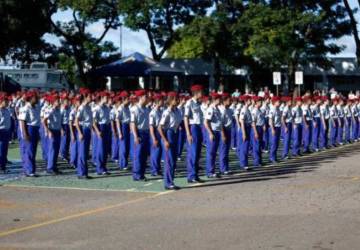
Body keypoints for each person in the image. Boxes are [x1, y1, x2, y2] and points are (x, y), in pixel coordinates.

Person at [158, 91, 182, 190]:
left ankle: (171, 181)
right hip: (169, 134)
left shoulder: (177, 111)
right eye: (176, 99)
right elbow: (159, 127)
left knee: (174, 160)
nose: (178, 100)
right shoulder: (166, 112)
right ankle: (168, 183)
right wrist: (165, 140)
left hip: (175, 133)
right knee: (169, 160)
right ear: (171, 100)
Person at [184, 84, 204, 183]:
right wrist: (188, 133)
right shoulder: (189, 103)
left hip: (199, 127)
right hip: (193, 128)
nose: (202, 93)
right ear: (196, 93)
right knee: (193, 153)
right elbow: (186, 118)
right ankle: (191, 176)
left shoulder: (199, 103)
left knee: (198, 153)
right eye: (201, 91)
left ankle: (195, 175)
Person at [18, 91, 40, 177]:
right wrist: (25, 134)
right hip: (29, 128)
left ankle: (31, 170)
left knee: (33, 151)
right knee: (29, 150)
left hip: (35, 129)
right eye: (35, 97)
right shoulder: (25, 108)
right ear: (31, 98)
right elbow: (22, 122)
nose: (37, 99)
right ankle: (29, 170)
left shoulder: (35, 107)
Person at [130, 90, 150, 181]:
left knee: (144, 155)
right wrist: (135, 136)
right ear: (141, 97)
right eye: (145, 96)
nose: (147, 98)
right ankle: (137, 174)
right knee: (138, 155)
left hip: (146, 132)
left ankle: (142, 173)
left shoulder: (146, 108)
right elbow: (133, 123)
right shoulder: (135, 109)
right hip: (139, 132)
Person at [204, 92, 224, 178]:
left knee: (214, 153)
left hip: (217, 131)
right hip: (213, 131)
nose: (220, 100)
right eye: (219, 99)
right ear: (215, 100)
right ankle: (210, 171)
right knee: (211, 153)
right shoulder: (210, 109)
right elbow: (206, 122)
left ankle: (212, 170)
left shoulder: (217, 108)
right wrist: (210, 133)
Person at [75, 88, 93, 179]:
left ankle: (84, 172)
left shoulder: (89, 107)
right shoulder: (81, 107)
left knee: (85, 152)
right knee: (82, 152)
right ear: (85, 97)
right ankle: (81, 173)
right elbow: (76, 121)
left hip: (88, 130)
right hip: (83, 129)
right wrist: (80, 133)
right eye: (90, 96)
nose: (91, 97)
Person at [92, 91, 111, 175]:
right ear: (102, 98)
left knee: (106, 149)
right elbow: (93, 121)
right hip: (101, 127)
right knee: (101, 149)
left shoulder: (107, 108)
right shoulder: (97, 108)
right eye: (106, 98)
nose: (108, 99)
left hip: (107, 127)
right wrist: (97, 131)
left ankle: (104, 167)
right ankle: (99, 168)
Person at [43, 95, 62, 175]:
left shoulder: (58, 110)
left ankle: (54, 166)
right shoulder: (50, 109)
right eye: (58, 101)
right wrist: (48, 131)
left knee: (56, 150)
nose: (59, 102)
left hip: (57, 131)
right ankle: (50, 168)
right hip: (52, 131)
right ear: (54, 102)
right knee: (52, 150)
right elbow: (44, 121)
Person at [149, 94, 163, 176]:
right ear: (158, 101)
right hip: (155, 132)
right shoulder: (153, 112)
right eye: (161, 100)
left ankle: (157, 168)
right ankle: (154, 170)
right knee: (155, 152)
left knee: (159, 152)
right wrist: (154, 138)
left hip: (160, 131)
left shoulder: (160, 111)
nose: (163, 102)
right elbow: (151, 126)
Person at [219, 93, 233, 175]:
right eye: (229, 100)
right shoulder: (222, 110)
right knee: (223, 150)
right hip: (224, 129)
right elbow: (220, 124)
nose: (231, 102)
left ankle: (226, 167)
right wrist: (223, 134)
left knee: (226, 150)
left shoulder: (230, 110)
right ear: (224, 101)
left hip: (229, 129)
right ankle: (223, 168)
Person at [116, 91, 131, 170]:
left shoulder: (127, 108)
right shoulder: (120, 108)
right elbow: (117, 120)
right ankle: (122, 164)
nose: (129, 100)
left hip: (127, 126)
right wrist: (120, 132)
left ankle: (125, 163)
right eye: (128, 98)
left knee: (127, 147)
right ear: (124, 99)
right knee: (123, 147)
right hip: (123, 127)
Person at [238, 95, 252, 169]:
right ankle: (243, 164)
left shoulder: (247, 109)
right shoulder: (244, 109)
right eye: (249, 100)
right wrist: (243, 133)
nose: (251, 101)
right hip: (245, 128)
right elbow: (242, 121)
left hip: (248, 128)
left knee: (246, 147)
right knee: (244, 147)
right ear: (246, 101)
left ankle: (245, 163)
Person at [251, 96, 265, 167]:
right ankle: (256, 162)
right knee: (256, 146)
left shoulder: (259, 110)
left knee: (260, 145)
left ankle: (259, 160)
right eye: (260, 102)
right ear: (256, 102)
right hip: (256, 128)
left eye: (261, 101)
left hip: (260, 128)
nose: (261, 103)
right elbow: (253, 123)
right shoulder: (254, 111)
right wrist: (255, 132)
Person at [0, 94, 11, 174]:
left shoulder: (7, 110)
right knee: (1, 150)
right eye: (5, 101)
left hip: (6, 131)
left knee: (4, 151)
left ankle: (3, 167)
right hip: (1, 131)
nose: (7, 102)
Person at [268, 96, 282, 163]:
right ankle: (272, 157)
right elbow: (270, 120)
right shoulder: (272, 109)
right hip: (274, 127)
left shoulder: (278, 109)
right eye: (278, 101)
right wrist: (272, 129)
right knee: (273, 143)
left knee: (276, 143)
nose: (280, 102)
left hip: (278, 127)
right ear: (274, 102)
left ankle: (274, 157)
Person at [59, 94, 71, 162]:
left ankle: (66, 154)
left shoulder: (69, 108)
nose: (68, 101)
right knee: (64, 141)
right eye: (66, 100)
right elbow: (59, 120)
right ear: (63, 101)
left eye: (68, 100)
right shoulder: (62, 109)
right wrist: (61, 129)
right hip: (64, 125)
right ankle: (63, 154)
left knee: (68, 140)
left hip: (68, 125)